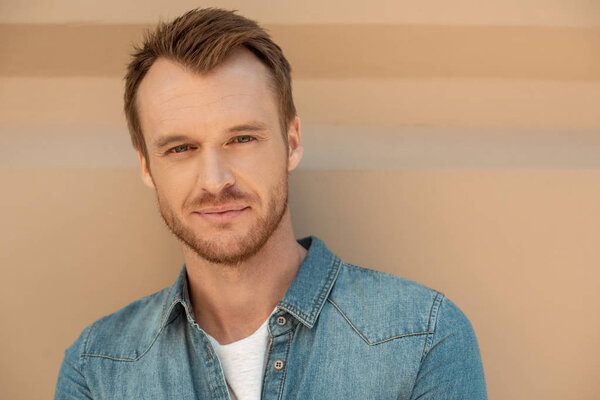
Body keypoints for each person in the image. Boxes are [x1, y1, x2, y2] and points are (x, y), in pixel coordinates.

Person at [55, 8, 487, 400]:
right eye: (181, 148)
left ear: (292, 142)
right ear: (147, 166)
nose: (215, 180)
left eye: (242, 138)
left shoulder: (422, 338)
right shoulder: (97, 370)